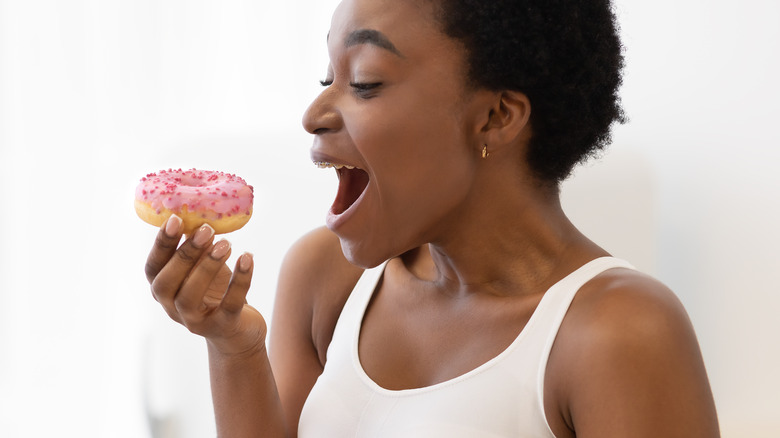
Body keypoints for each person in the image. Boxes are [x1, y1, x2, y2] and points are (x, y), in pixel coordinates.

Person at [144, 0, 720, 436]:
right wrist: (233, 347)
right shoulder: (325, 278)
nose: (314, 114)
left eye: (364, 83)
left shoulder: (619, 332)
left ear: (496, 116)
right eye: (328, 79)